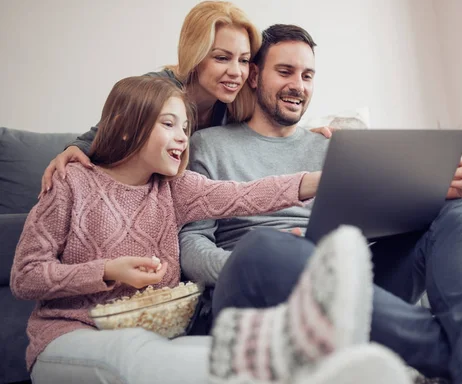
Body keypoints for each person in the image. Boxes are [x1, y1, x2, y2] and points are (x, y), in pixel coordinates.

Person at [180, 24, 462, 384]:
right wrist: (270, 258)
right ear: (254, 76)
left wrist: (444, 190)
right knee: (266, 247)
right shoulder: (209, 145)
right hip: (260, 288)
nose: (298, 85)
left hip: (349, 283)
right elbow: (191, 245)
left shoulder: (330, 146)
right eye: (285, 71)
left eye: (308, 75)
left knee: (453, 212)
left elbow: (380, 226)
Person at [10, 75, 413, 384]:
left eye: (185, 127)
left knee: (215, 349)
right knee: (136, 353)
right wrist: (107, 271)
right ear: (128, 126)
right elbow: (25, 277)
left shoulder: (174, 188)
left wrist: (316, 179)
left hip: (159, 338)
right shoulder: (71, 182)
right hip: (67, 339)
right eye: (169, 124)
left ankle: (322, 365)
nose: (182, 138)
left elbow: (245, 195)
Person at [39, 0, 332, 197]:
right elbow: (101, 136)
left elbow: (278, 111)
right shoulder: (158, 91)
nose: (236, 72)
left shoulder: (235, 100)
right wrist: (74, 149)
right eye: (221, 58)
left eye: (243, 60)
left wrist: (312, 135)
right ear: (195, 55)